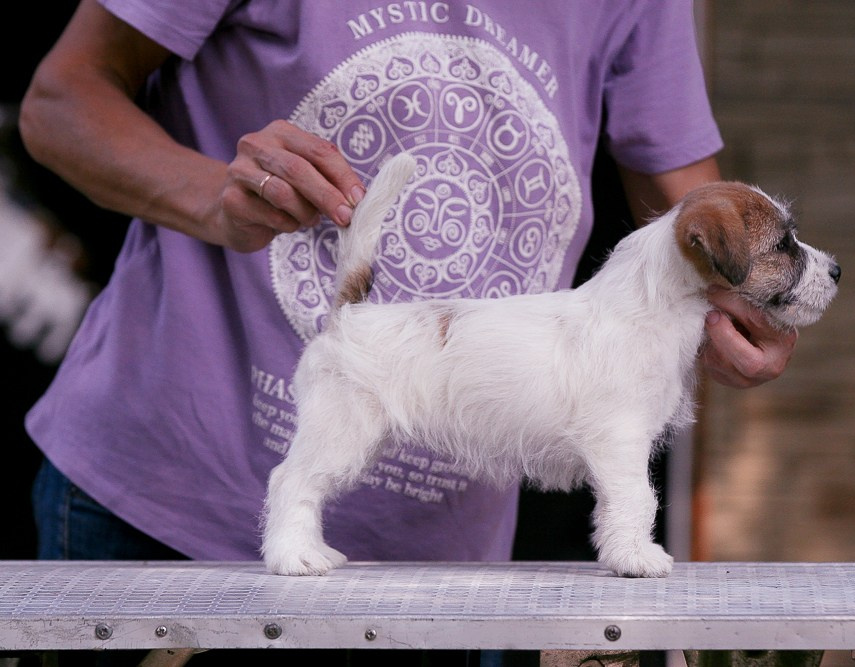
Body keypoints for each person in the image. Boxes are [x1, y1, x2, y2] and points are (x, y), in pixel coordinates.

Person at [20, 0, 795, 577]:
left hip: (449, 556)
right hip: (162, 501)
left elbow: (696, 209)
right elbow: (60, 101)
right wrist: (212, 195)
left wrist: (748, 308)